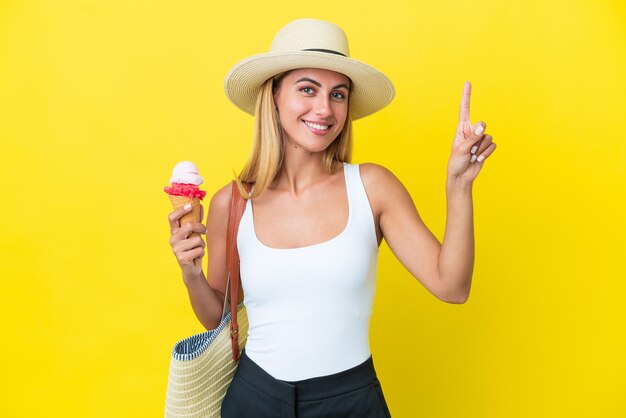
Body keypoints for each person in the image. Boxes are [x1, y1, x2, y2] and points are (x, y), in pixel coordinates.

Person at [167, 18, 496, 418]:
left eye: (337, 94)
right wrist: (190, 273)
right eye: (308, 89)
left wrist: (458, 185)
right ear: (273, 96)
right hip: (254, 399)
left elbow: (452, 286)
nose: (324, 109)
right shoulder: (233, 203)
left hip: (351, 400)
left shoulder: (373, 187)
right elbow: (216, 319)